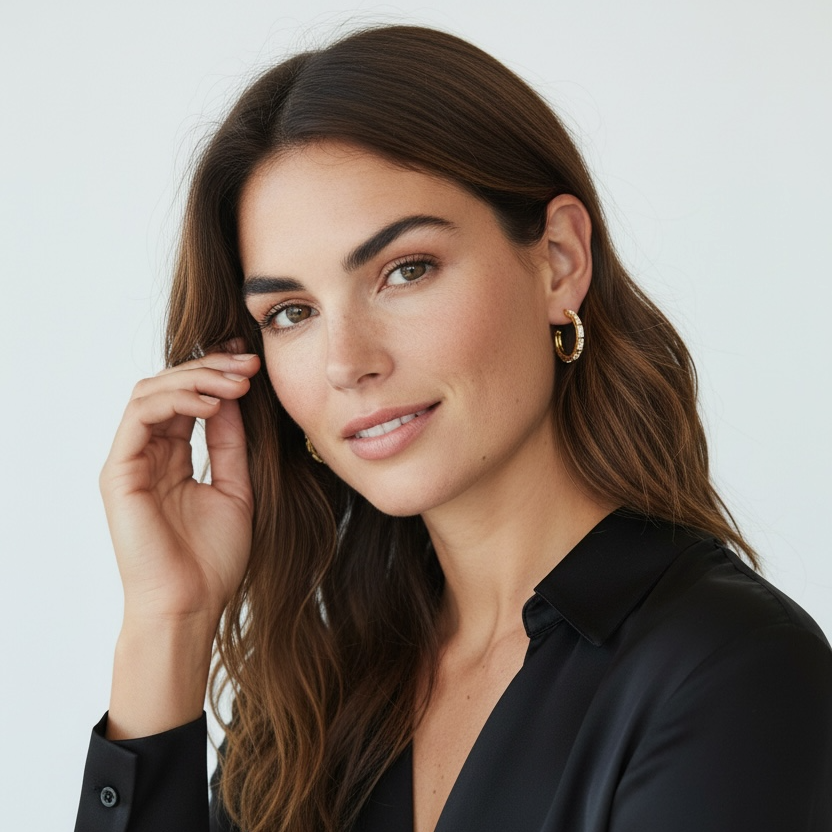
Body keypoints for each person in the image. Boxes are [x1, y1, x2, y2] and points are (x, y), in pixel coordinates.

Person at [74, 24, 832, 832]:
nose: (347, 362)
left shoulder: (731, 672)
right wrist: (171, 621)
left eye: (405, 270)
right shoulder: (313, 698)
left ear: (559, 261)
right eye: (292, 313)